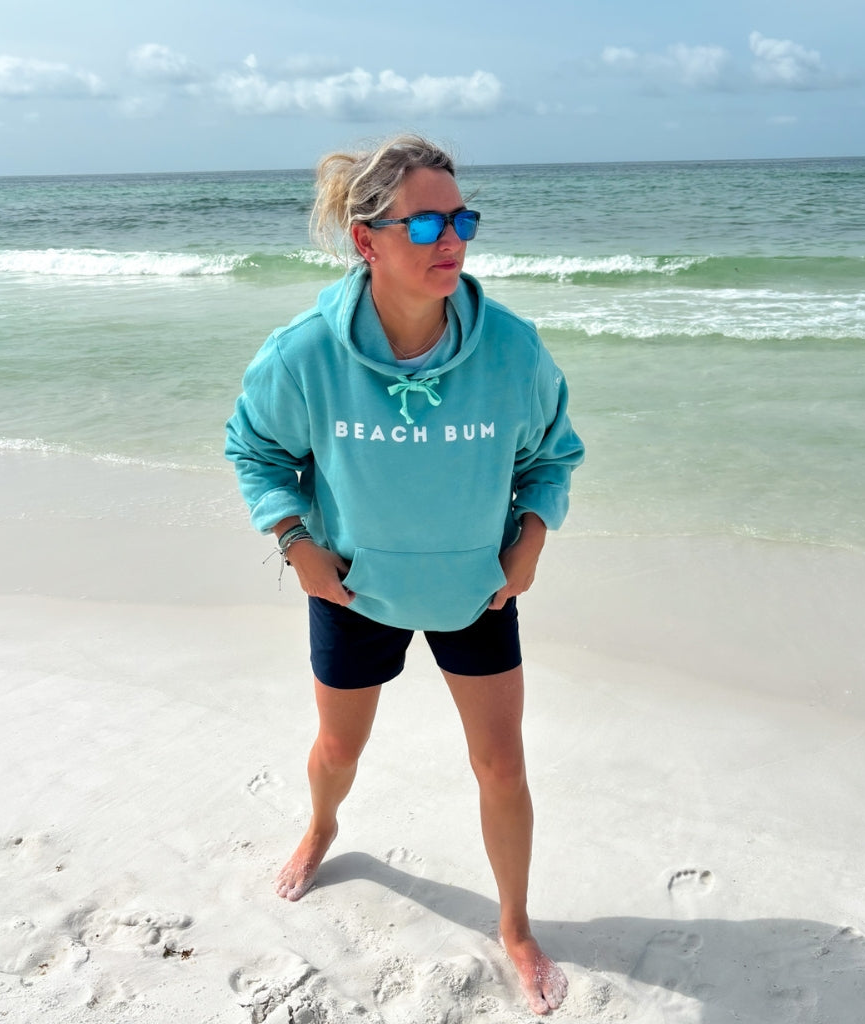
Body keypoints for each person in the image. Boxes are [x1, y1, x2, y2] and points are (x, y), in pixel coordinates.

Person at [225, 134, 584, 1015]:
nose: (450, 237)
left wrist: (531, 542)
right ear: (366, 240)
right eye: (424, 220)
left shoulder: (511, 349)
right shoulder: (303, 353)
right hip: (354, 592)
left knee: (502, 767)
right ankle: (321, 826)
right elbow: (255, 451)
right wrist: (297, 548)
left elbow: (553, 456)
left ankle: (515, 923)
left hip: (476, 592)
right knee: (338, 752)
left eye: (461, 217)